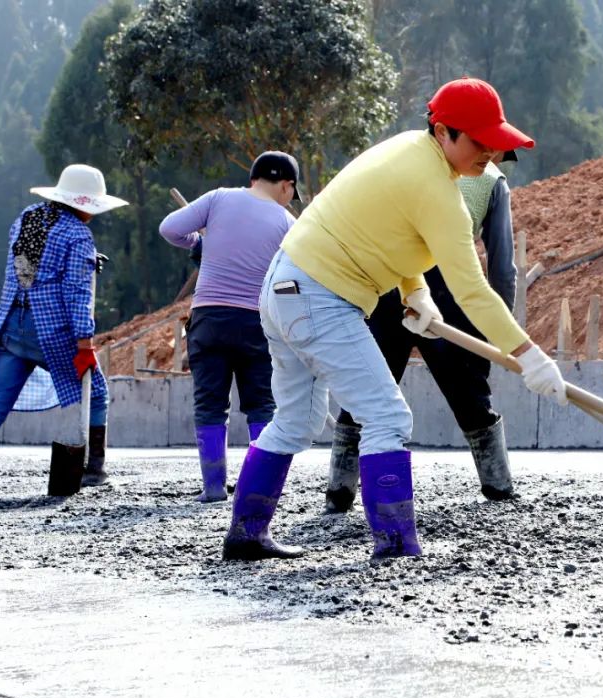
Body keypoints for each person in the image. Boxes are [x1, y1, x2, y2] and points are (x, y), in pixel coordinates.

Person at [221, 77, 567, 562]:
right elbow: (472, 290)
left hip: (286, 286)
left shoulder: (408, 152)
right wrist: (529, 355)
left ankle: (245, 535)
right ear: (443, 131)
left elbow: (393, 235)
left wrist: (416, 291)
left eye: (494, 141)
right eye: (477, 141)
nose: (488, 151)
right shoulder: (438, 190)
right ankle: (394, 543)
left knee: (296, 419)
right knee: (386, 416)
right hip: (320, 294)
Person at [324, 149, 522, 512]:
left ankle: (339, 490)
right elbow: (502, 269)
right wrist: (497, 329)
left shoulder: (400, 161)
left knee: (366, 386)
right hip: (449, 283)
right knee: (470, 391)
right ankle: (498, 485)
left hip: (386, 279)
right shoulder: (493, 182)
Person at [0, 164, 127, 501]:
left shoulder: (27, 218)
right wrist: (84, 343)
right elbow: (77, 293)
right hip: (51, 331)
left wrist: (87, 259)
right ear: (84, 203)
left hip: (12, 323)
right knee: (95, 392)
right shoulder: (78, 234)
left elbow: (31, 271)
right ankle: (94, 470)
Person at [159, 151, 302, 503]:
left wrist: (200, 245)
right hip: (257, 323)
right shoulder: (288, 223)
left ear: (253, 178)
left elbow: (169, 229)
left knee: (209, 403)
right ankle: (260, 485)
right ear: (287, 186)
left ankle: (212, 488)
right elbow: (297, 274)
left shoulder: (218, 198)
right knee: (262, 405)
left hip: (209, 319)